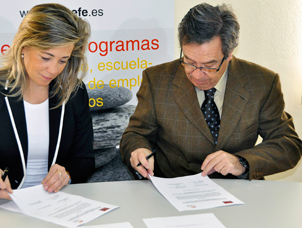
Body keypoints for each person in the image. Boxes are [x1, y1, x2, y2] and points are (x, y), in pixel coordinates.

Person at [120, 3, 302, 181]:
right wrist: (139, 150)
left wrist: (242, 163)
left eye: (210, 65)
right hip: (175, 190)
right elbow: (135, 134)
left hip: (238, 193)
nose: (198, 74)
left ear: (229, 54)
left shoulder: (261, 82)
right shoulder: (157, 80)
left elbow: (288, 144)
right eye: (189, 61)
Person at [0, 3, 94, 199]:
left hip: (58, 204)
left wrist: (67, 174)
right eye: (46, 57)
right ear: (24, 47)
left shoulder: (74, 92)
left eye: (63, 60)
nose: (53, 70)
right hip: (0, 206)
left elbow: (84, 159)